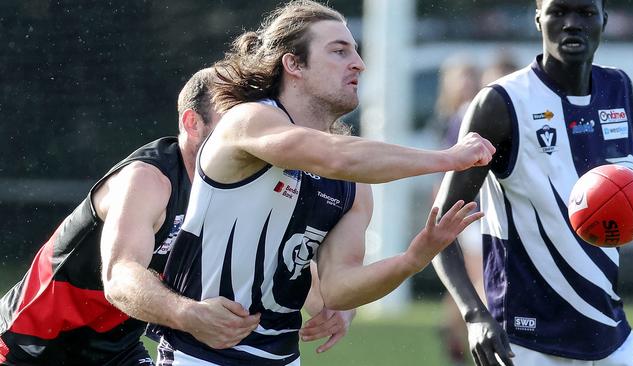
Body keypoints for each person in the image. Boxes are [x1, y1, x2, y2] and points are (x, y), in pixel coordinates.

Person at [153, 1, 496, 365]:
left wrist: (413, 259)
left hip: (283, 359)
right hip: (198, 356)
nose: (359, 64)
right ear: (294, 64)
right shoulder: (248, 120)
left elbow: (337, 289)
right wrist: (448, 158)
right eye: (339, 51)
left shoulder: (351, 181)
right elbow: (334, 156)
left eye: (356, 52)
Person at [0, 68, 352, 366]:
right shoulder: (148, 179)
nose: (248, 133)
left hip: (116, 352)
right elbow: (120, 277)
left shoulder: (242, 189)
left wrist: (334, 306)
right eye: (235, 120)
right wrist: (190, 315)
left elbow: (286, 256)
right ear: (192, 123)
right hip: (27, 346)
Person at [432, 0, 633, 365]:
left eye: (585, 13)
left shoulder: (619, 89)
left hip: (609, 334)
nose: (571, 24)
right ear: (538, 19)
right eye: (559, 12)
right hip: (523, 342)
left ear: (604, 20)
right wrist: (474, 315)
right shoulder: (501, 103)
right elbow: (439, 228)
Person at [432, 56, 484, 366]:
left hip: (474, 210)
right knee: (478, 279)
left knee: (465, 280)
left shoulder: (473, 112)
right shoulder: (456, 117)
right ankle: (469, 334)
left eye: (471, 75)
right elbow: (447, 169)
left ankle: (452, 333)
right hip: (467, 212)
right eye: (460, 76)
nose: (466, 82)